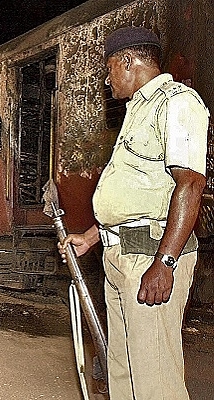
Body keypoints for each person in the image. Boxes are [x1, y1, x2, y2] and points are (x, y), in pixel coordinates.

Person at [58, 26, 209, 399]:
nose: (107, 81)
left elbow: (189, 184)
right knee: (123, 377)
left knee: (154, 379)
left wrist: (166, 263)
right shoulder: (136, 110)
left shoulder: (176, 102)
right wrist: (93, 237)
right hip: (121, 257)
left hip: (149, 257)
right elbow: (138, 194)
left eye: (109, 69)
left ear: (128, 61)